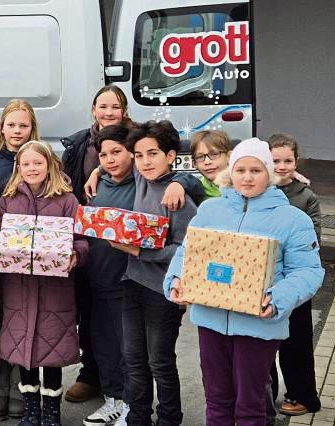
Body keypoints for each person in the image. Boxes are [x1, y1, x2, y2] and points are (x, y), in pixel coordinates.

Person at [166, 138, 324, 425]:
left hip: (258, 324)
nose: (247, 177)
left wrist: (278, 298)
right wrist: (177, 280)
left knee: (251, 404)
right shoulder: (210, 210)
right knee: (216, 400)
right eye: (241, 170)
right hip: (211, 320)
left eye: (256, 170)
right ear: (231, 172)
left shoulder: (293, 219)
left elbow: (309, 271)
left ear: (269, 173)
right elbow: (188, 252)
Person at [0, 141, 88, 426]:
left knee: (51, 354)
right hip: (18, 290)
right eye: (26, 164)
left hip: (55, 292)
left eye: (38, 163)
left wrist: (75, 255)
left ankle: (51, 412)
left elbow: (82, 241)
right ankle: (31, 409)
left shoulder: (67, 200)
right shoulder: (8, 199)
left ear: (50, 165)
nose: (32, 168)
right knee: (24, 353)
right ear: (19, 168)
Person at [114, 121, 197, 426]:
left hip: (164, 291)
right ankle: (138, 418)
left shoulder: (179, 199)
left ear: (171, 155)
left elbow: (187, 252)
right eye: (139, 155)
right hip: (133, 284)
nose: (145, 161)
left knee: (159, 362)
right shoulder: (141, 179)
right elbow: (124, 127)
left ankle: (169, 419)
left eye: (153, 154)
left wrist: (140, 252)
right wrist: (97, 172)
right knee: (134, 360)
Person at [59, 85, 134, 404]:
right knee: (89, 310)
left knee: (122, 320)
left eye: (114, 106)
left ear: (124, 111)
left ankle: (125, 389)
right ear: (93, 109)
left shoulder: (138, 139)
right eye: (102, 106)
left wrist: (101, 169)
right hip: (86, 238)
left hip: (125, 242)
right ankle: (92, 375)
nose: (107, 112)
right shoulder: (78, 143)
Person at [0, 98, 40, 418]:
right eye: (11, 125)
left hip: (27, 264)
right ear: (2, 127)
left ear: (32, 128)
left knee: (21, 326)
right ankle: (0, 389)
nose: (17, 130)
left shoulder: (38, 162)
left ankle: (22, 388)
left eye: (23, 125)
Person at [79, 124, 134, 426]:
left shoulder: (143, 183)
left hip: (128, 283)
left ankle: (133, 406)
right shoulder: (97, 185)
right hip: (97, 280)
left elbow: (183, 183)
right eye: (104, 155)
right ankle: (113, 400)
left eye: (117, 152)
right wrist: (97, 171)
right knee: (104, 345)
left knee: (130, 351)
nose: (110, 159)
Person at [267, 134, 323, 417]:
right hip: (266, 282)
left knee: (296, 344)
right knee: (265, 346)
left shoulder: (306, 196)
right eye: (275, 160)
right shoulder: (259, 190)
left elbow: (313, 238)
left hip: (295, 282)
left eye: (287, 160)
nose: (281, 166)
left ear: (296, 161)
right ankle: (269, 396)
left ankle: (304, 396)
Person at [190, 130, 232, 201]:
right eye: (200, 157)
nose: (207, 162)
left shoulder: (244, 186)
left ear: (229, 157)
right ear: (194, 164)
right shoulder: (193, 191)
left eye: (214, 154)